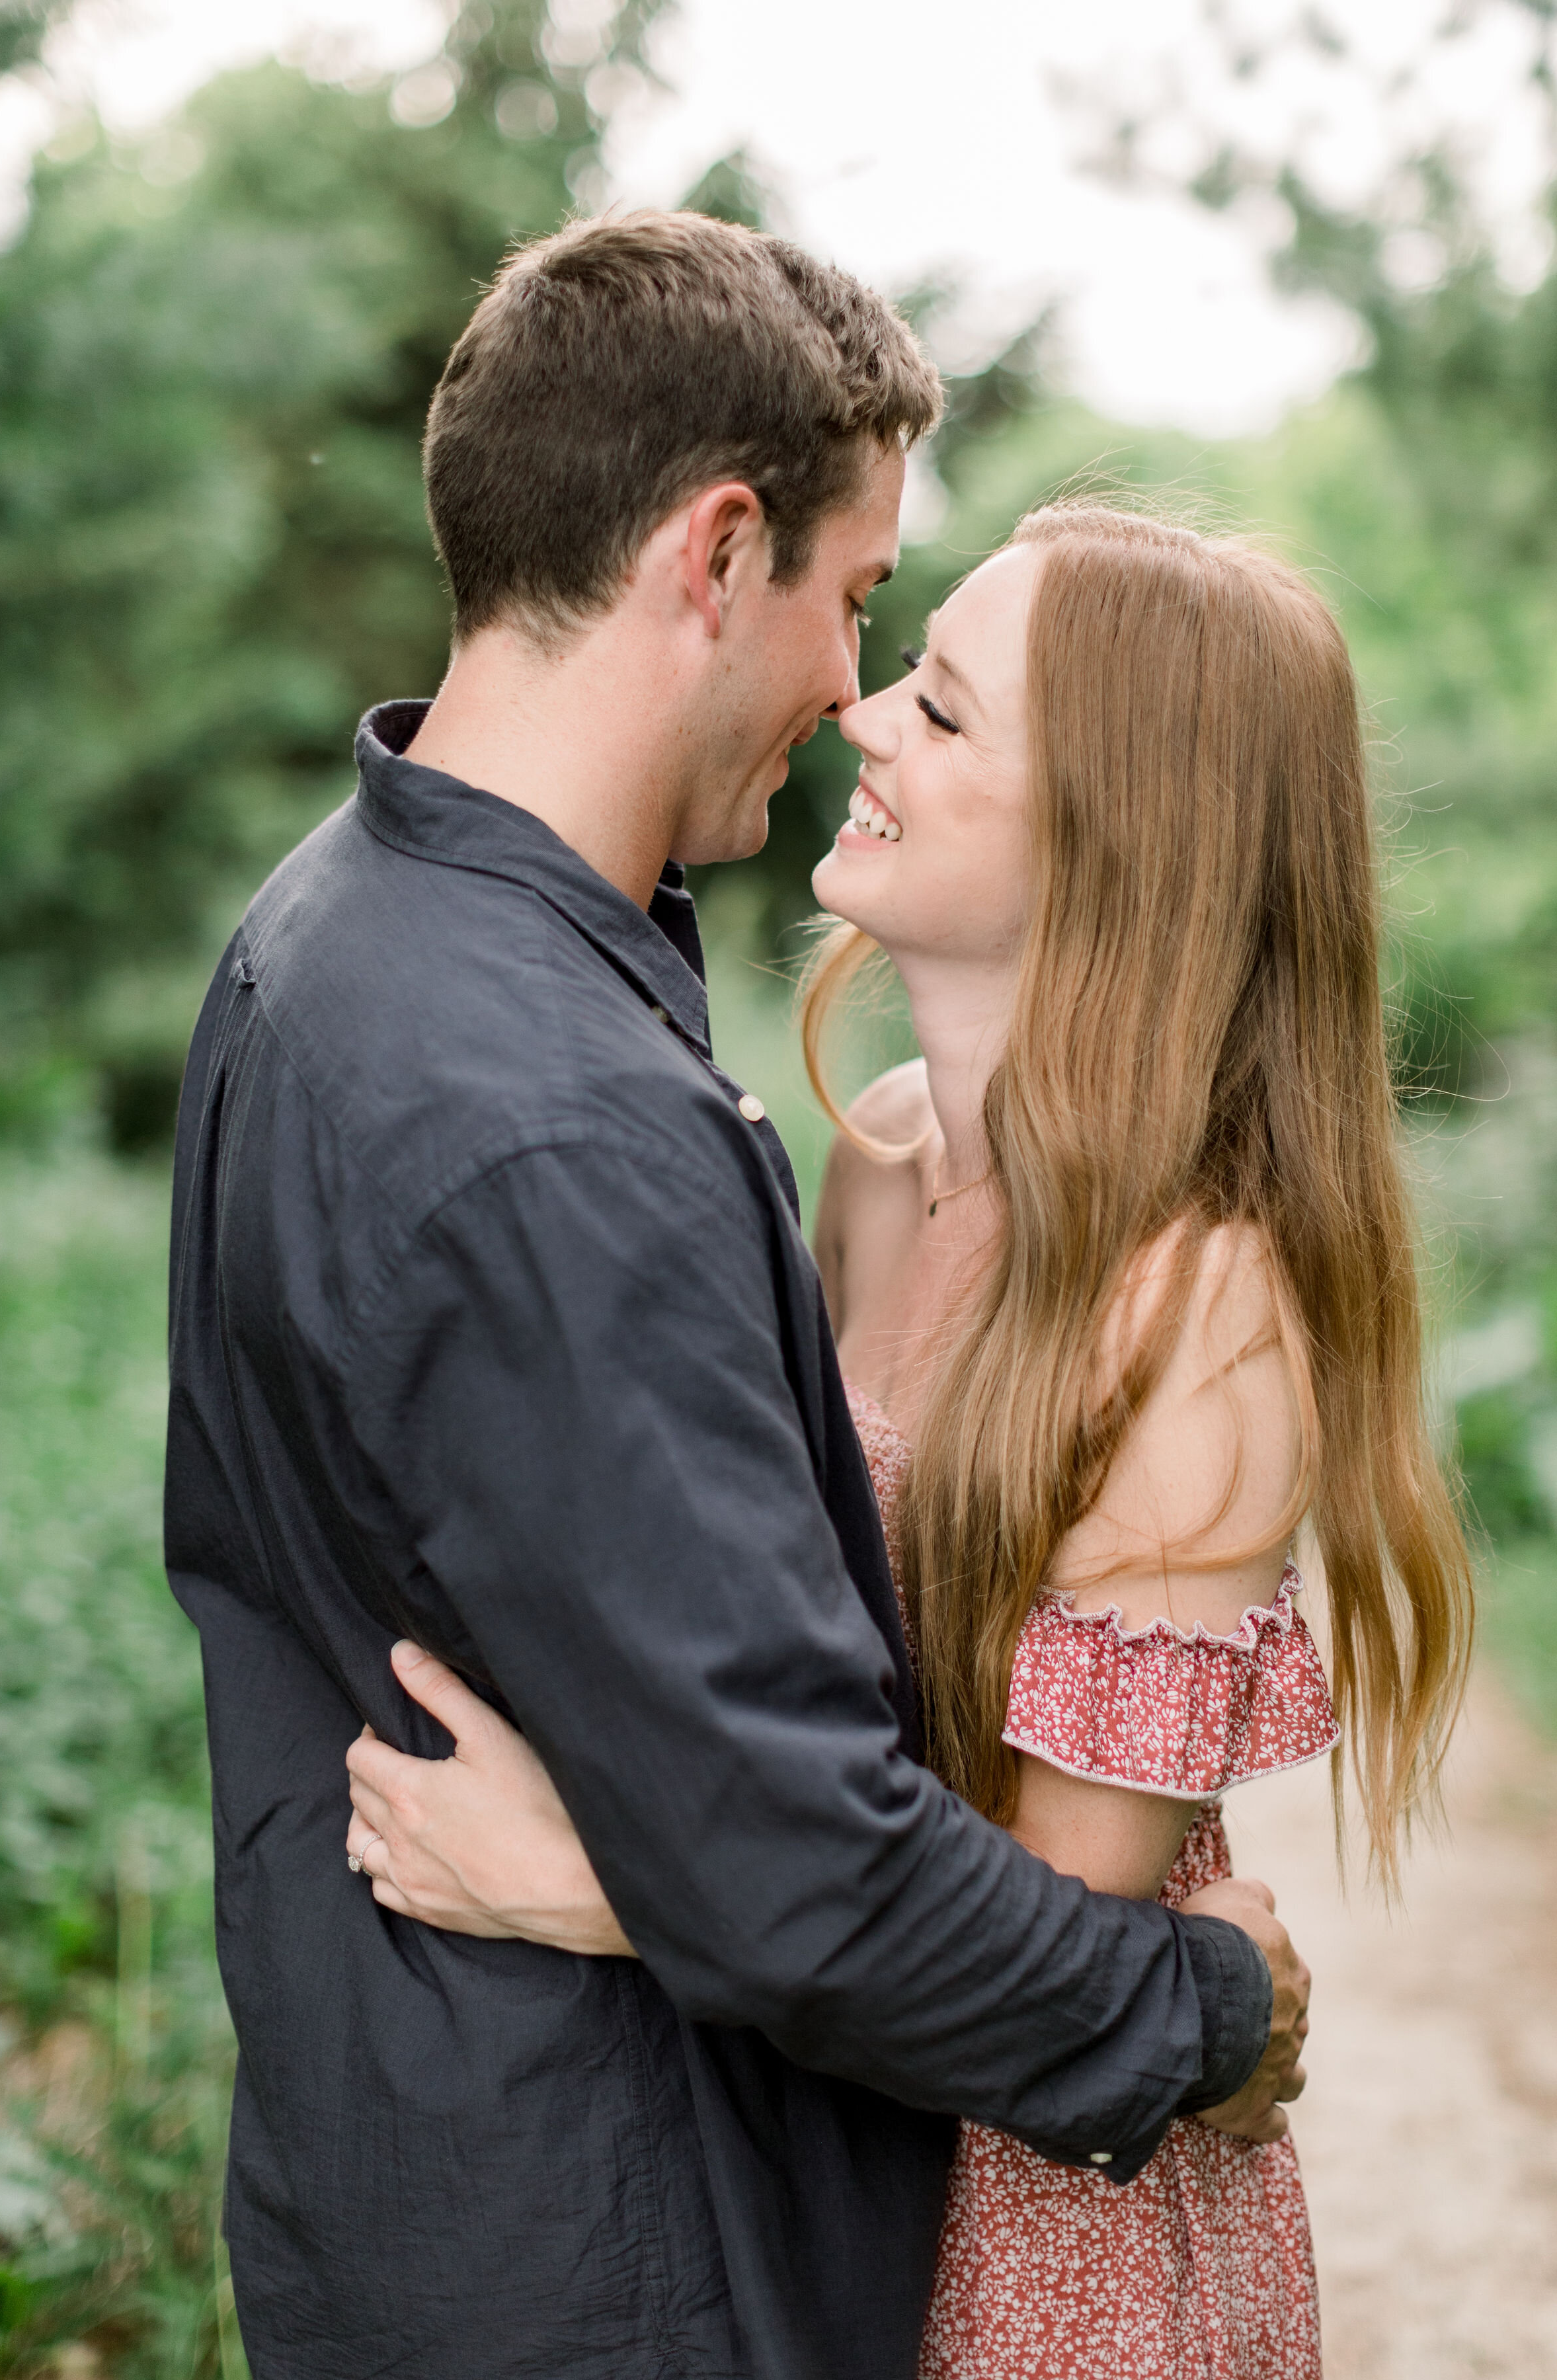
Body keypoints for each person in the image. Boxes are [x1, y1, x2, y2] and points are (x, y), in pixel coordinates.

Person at [164, 212, 1304, 2380]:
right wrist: (1207, 2008)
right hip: (612, 2254)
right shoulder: (565, 1123)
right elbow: (805, 1872)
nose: (854, 696)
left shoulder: (318, 937)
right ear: (715, 554)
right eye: (858, 601)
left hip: (413, 2168)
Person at [344, 502, 1476, 2377]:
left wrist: (594, 1886)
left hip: (1045, 2233)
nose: (863, 718)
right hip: (827, 2142)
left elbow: (1047, 1949)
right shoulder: (877, 1159)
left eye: (942, 714)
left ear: (1119, 842)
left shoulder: (1194, 1312)